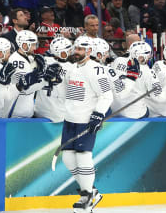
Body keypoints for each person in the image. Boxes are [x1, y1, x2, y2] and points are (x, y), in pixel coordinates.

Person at [61, 35, 112, 212]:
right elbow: (66, 92)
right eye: (76, 49)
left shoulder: (96, 69)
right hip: (70, 120)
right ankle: (92, 192)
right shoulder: (71, 68)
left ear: (89, 51)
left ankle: (87, 196)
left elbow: (107, 95)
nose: (77, 52)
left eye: (81, 49)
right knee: (68, 159)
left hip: (85, 120)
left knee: (83, 156)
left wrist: (98, 114)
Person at [6, 30, 59, 118]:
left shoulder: (29, 58)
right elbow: (25, 89)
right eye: (33, 45)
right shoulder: (16, 61)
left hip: (25, 109)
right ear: (24, 45)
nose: (35, 48)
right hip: (17, 111)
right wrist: (45, 79)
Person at [34, 37, 72, 122]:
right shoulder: (71, 67)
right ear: (61, 51)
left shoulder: (44, 60)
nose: (70, 52)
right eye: (68, 50)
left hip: (39, 110)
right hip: (58, 114)